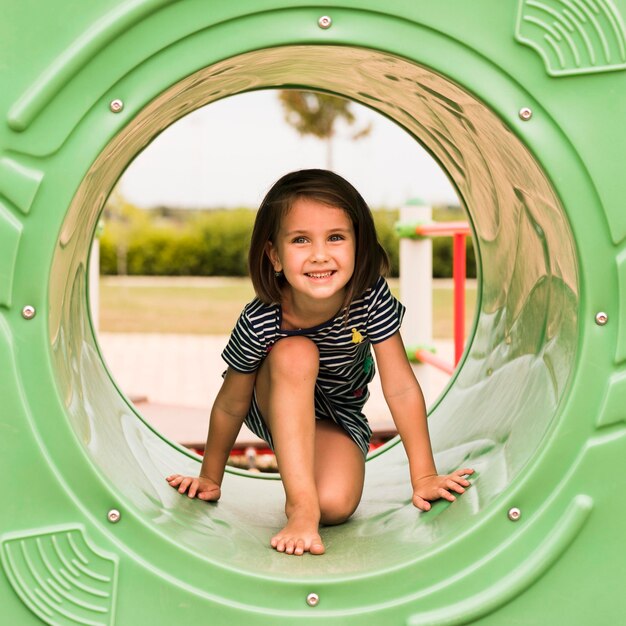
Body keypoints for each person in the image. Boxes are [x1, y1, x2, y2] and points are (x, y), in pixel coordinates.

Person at [166, 169, 473, 556]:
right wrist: (211, 476)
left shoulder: (369, 298)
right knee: (297, 351)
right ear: (274, 256)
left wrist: (424, 475)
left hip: (338, 416)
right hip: (272, 397)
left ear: (358, 246)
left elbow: (400, 386)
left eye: (335, 238)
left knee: (335, 504)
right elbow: (231, 402)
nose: (320, 254)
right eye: (300, 240)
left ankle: (312, 500)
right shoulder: (261, 318)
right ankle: (300, 507)